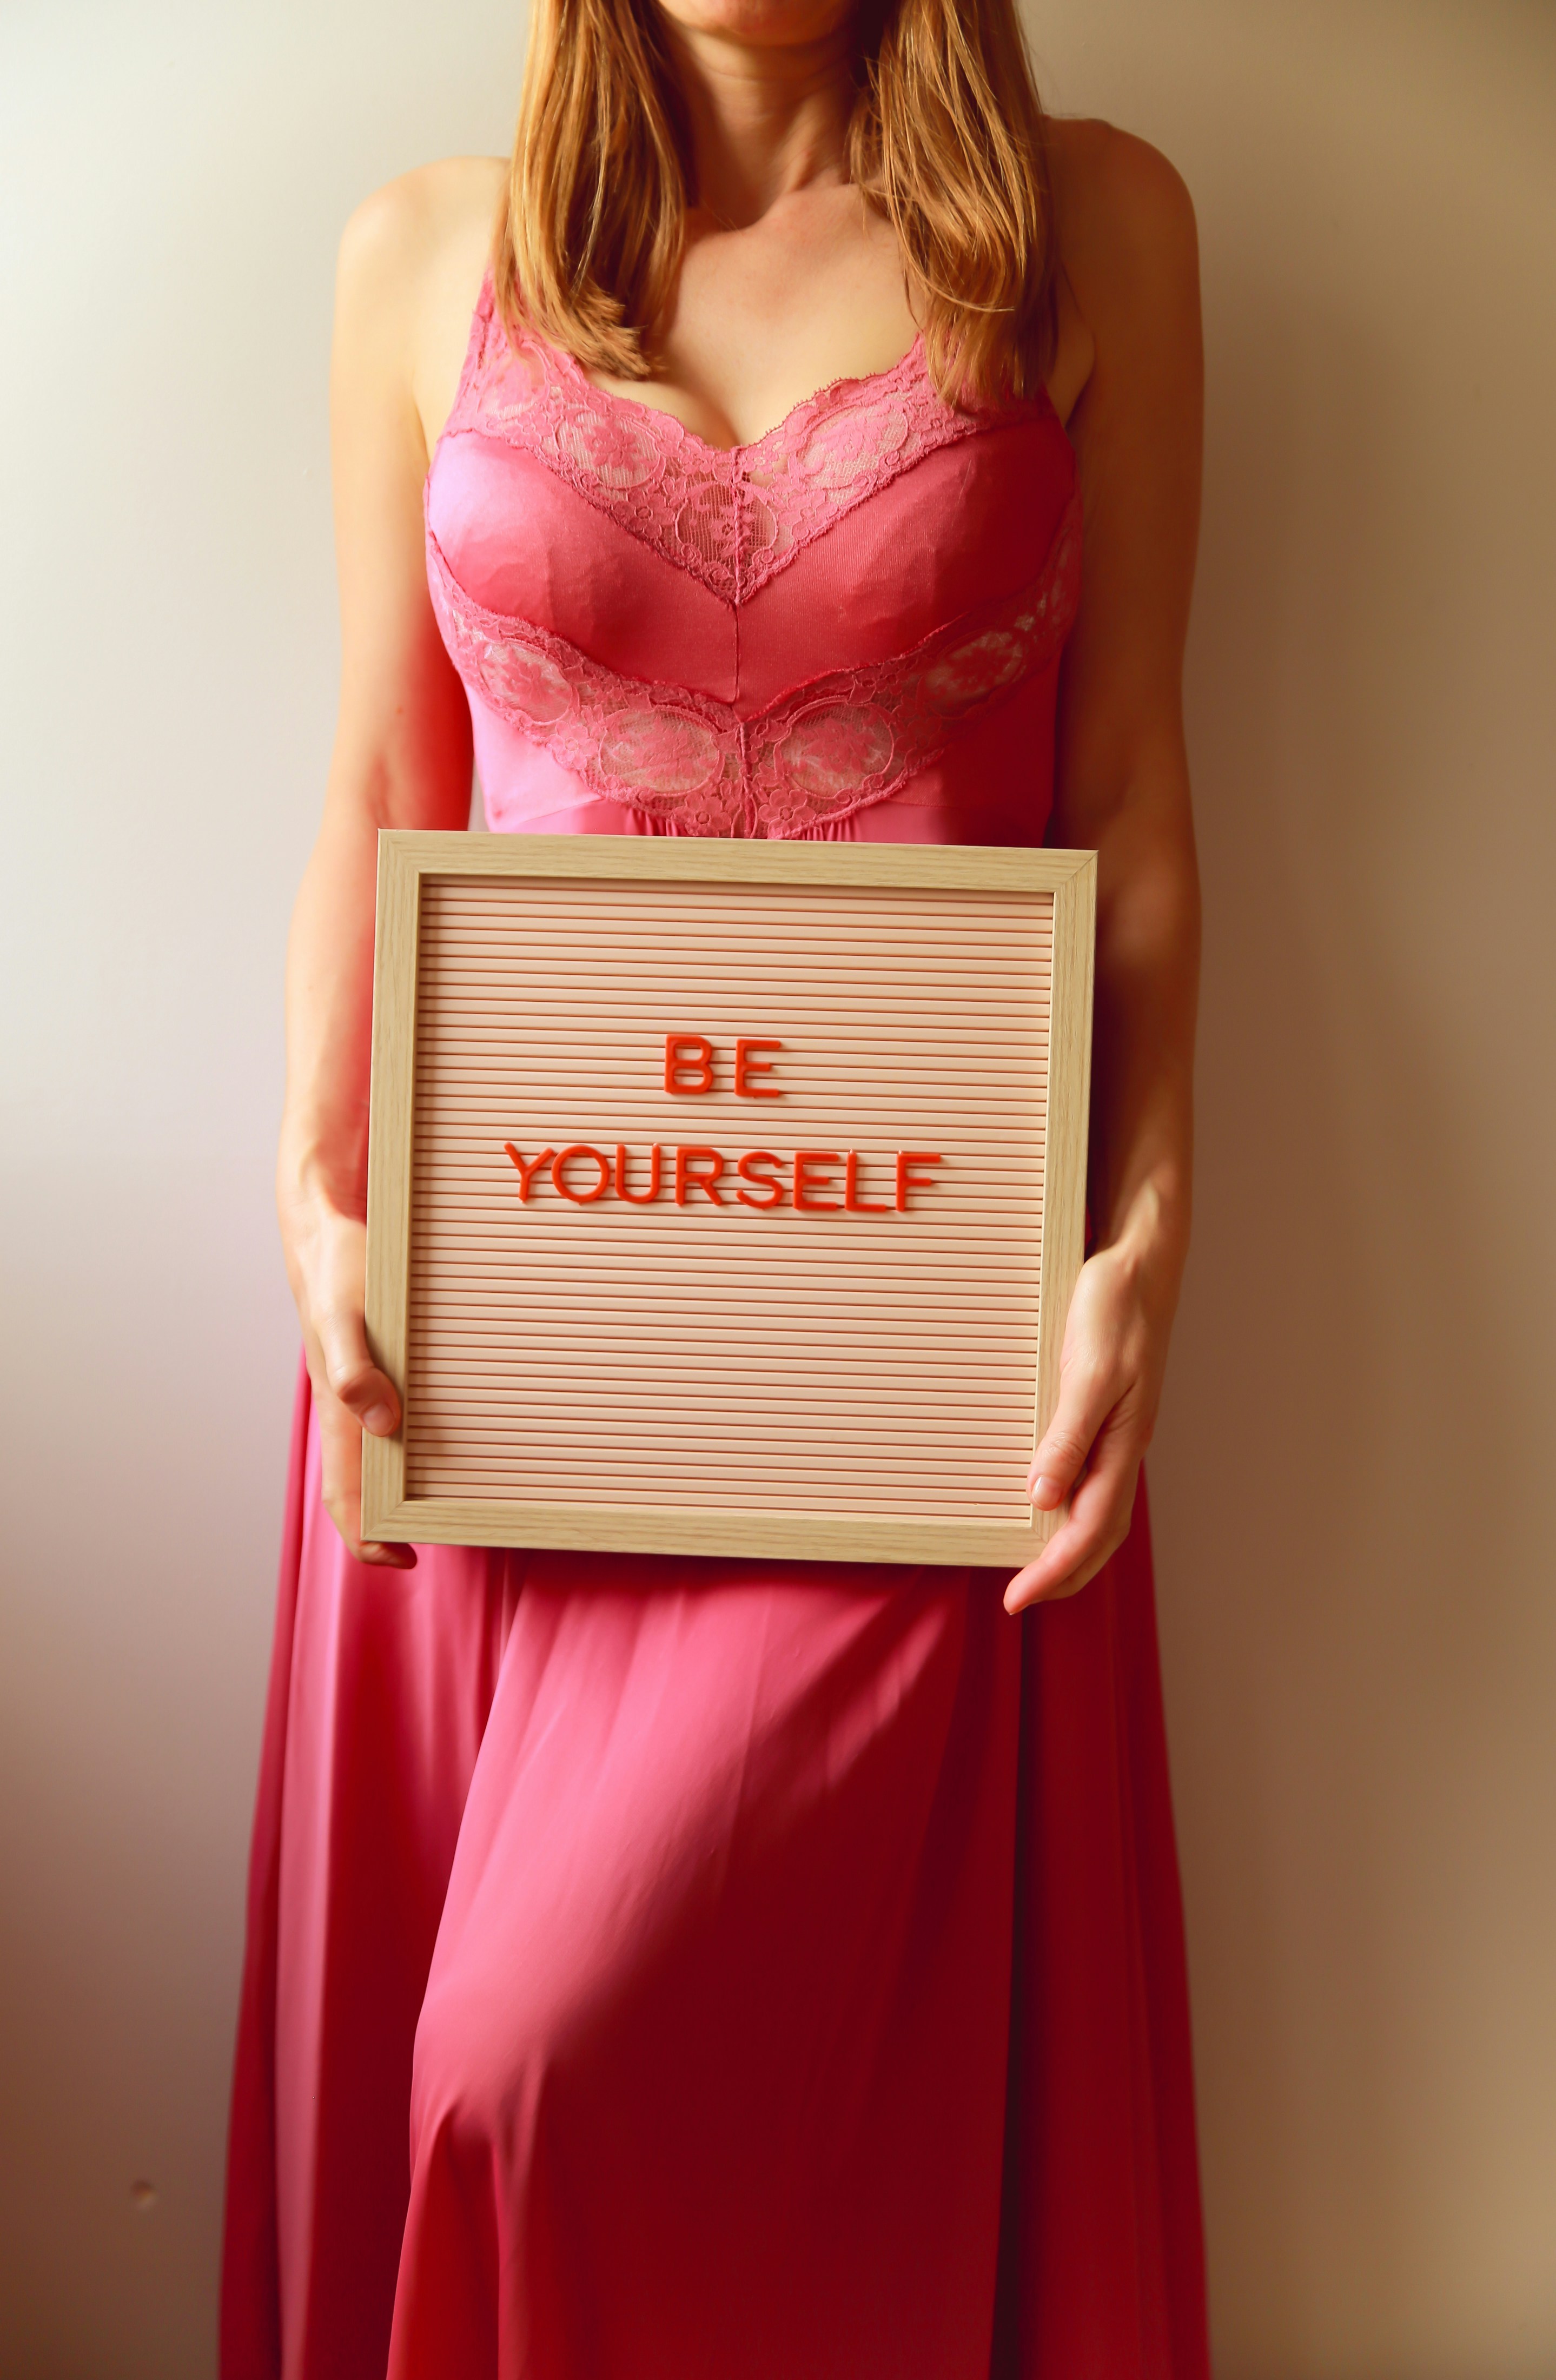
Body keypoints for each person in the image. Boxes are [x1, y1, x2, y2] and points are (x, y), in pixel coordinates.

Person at [221, 0, 1206, 2368]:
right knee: (528, 2092)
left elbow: (1128, 791)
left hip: (909, 1370)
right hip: (494, 1345)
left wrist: (1152, 1228)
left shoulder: (1099, 228)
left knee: (540, 2069)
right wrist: (314, 1200)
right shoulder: (418, 253)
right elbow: (380, 778)